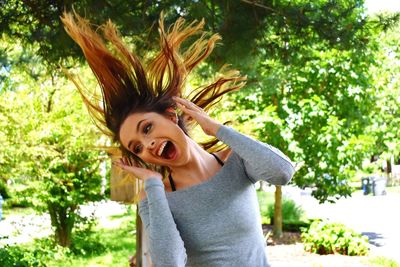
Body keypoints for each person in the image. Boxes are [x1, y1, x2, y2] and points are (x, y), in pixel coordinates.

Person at [61, 11, 295, 267]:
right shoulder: (154, 197)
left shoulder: (235, 161)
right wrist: (153, 184)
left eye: (147, 128)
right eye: (137, 147)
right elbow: (170, 263)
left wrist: (217, 128)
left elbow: (283, 172)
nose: (147, 144)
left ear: (172, 116)